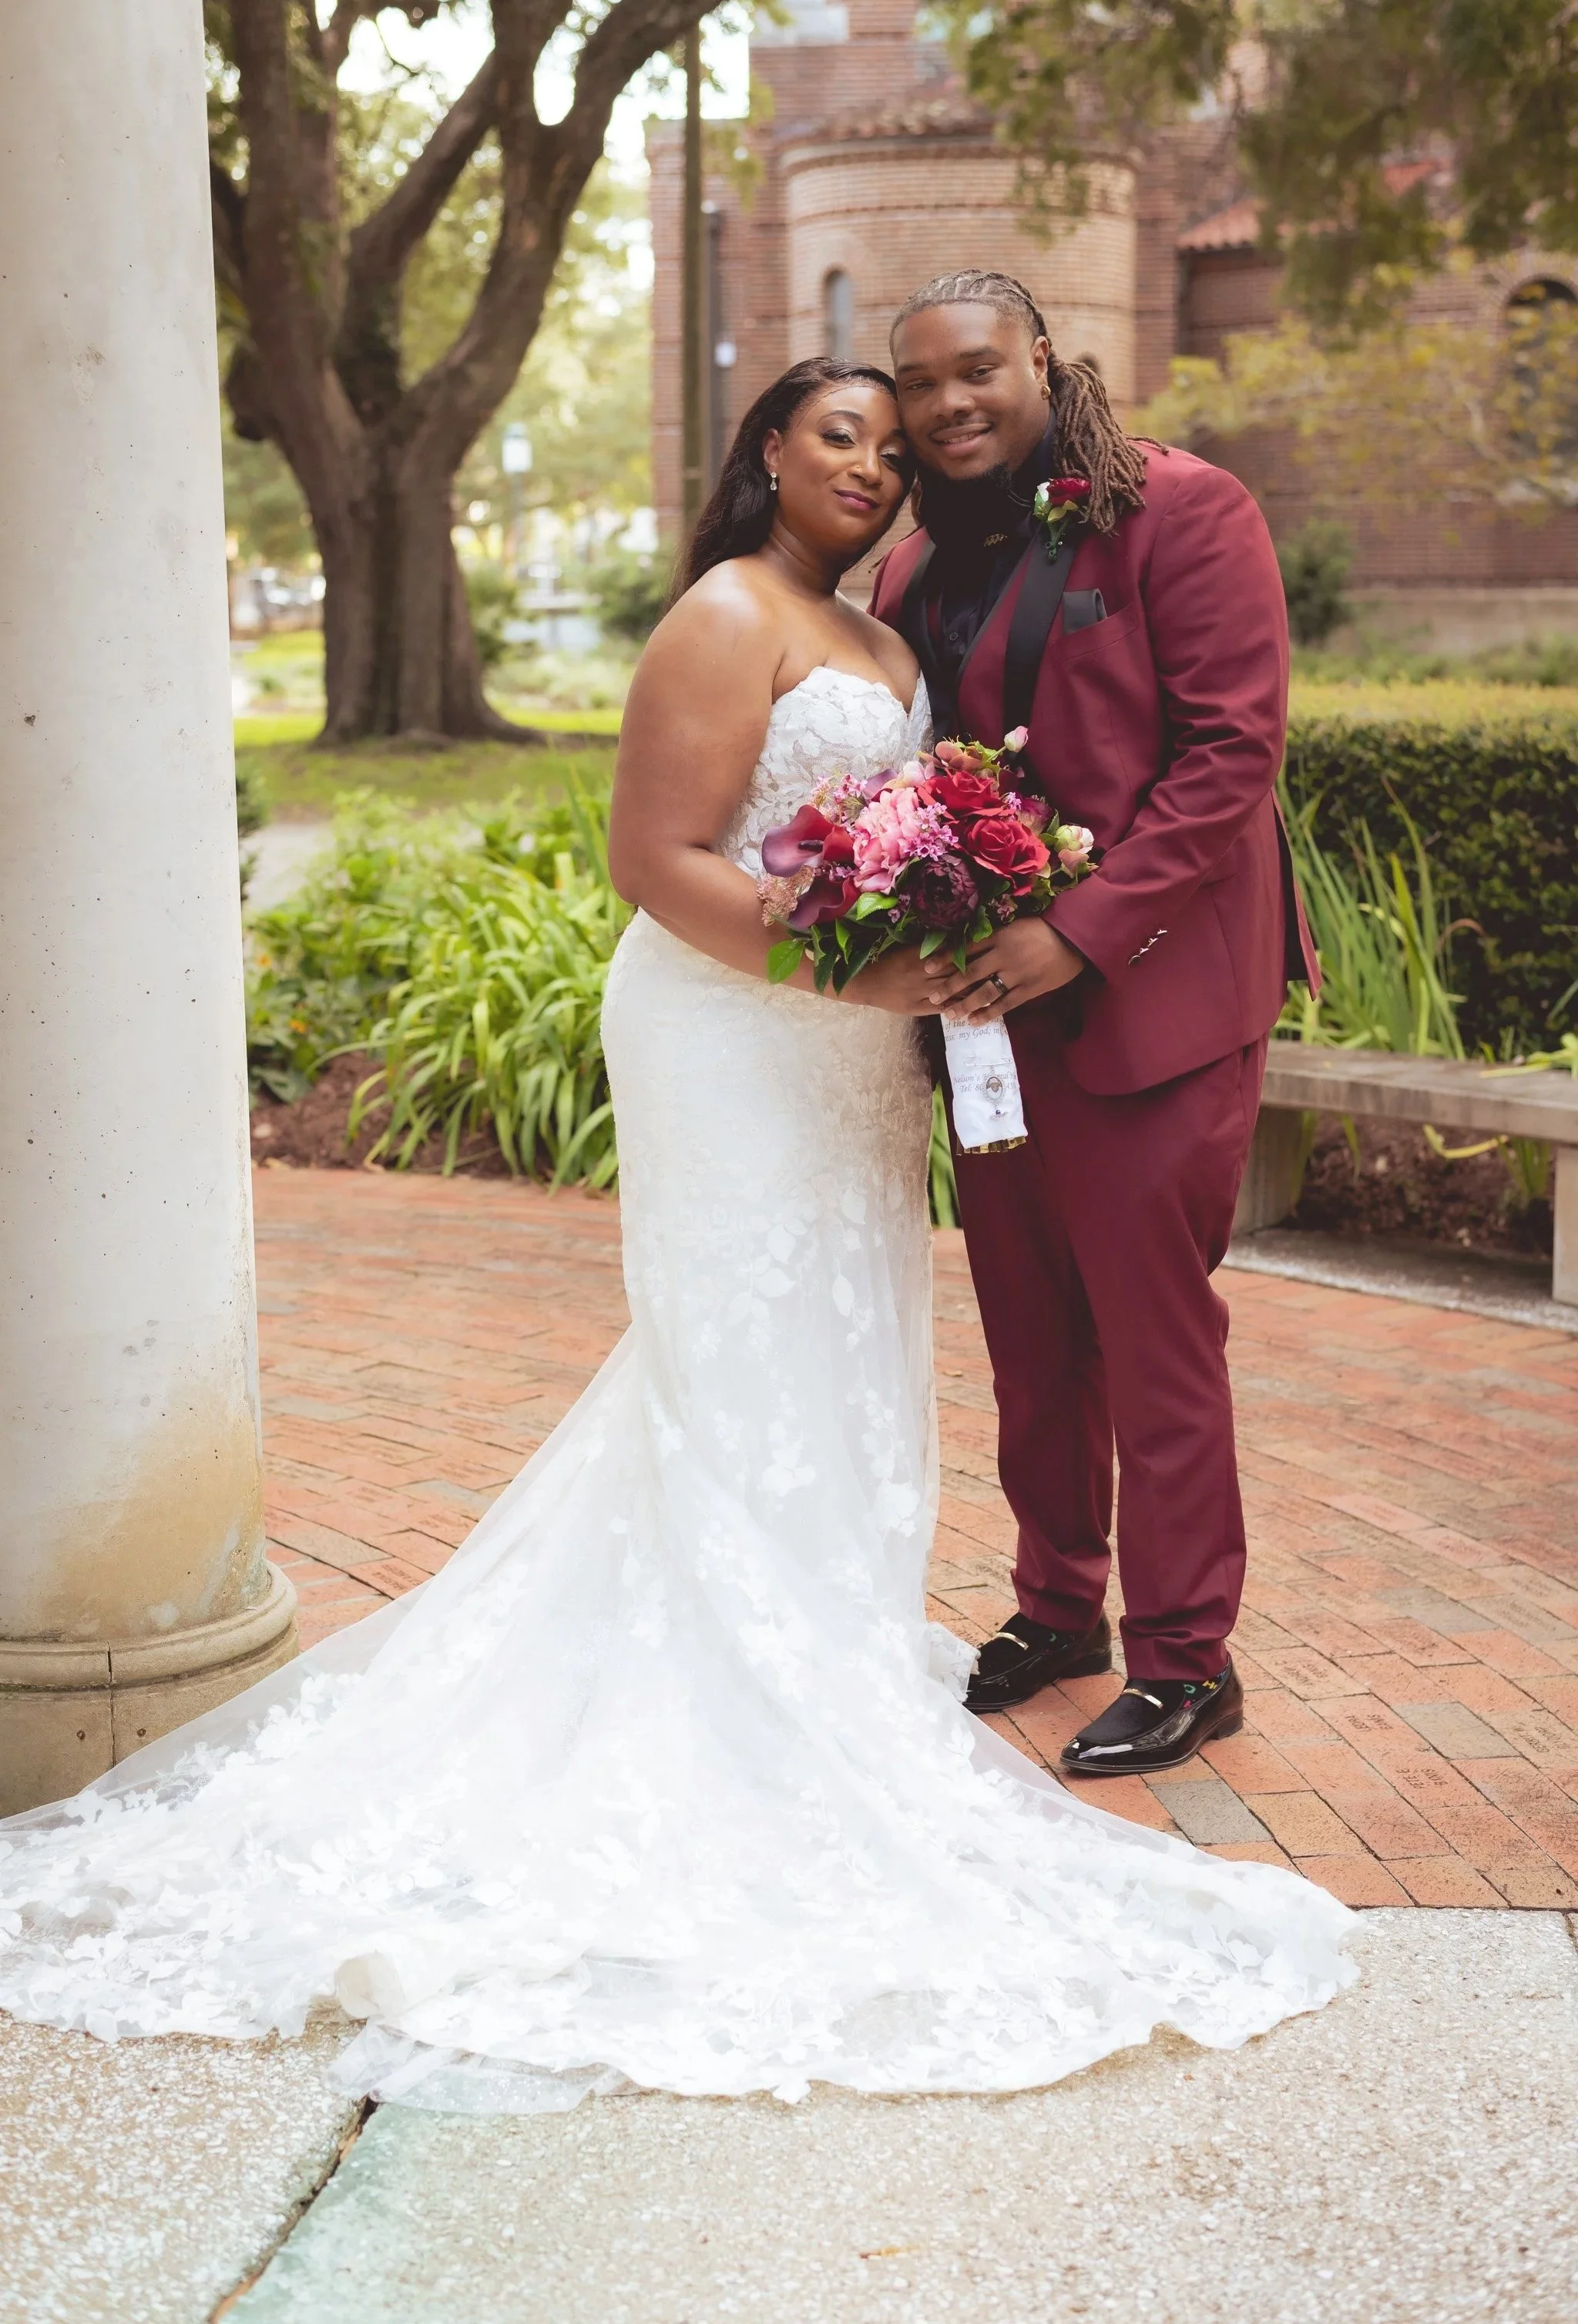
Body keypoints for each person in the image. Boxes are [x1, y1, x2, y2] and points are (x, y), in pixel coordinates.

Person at [0, 358, 1351, 2114]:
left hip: (854, 1051)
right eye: (838, 431)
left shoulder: (879, 618)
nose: (873, 458)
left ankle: (831, 1638)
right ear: (765, 453)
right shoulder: (728, 612)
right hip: (739, 1032)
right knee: (736, 1352)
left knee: (850, 1337)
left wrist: (918, 938)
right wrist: (854, 965)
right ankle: (740, 1675)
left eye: (895, 433)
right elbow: (658, 857)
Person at [871, 270, 1317, 1775]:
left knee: (1149, 1334)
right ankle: (1056, 1605)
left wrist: (1075, 930)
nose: (950, 403)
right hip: (991, 1019)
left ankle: (1188, 1659)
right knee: (1027, 1330)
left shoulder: (1183, 512)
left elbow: (1228, 755)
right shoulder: (912, 573)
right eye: (922, 383)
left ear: (1043, 361)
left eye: (977, 368)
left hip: (1156, 1000)